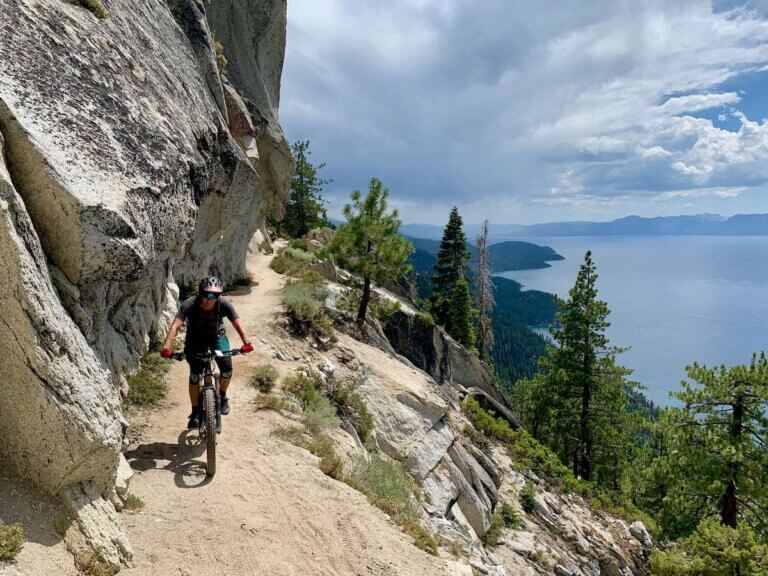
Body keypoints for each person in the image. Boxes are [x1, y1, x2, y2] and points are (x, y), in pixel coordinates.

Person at [160, 276, 253, 428]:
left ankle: (222, 396)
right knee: (195, 375)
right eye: (208, 295)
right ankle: (195, 412)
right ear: (201, 293)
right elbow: (175, 326)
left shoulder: (223, 304)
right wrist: (167, 346)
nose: (212, 299)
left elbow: (237, 324)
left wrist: (246, 342)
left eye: (216, 295)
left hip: (217, 337)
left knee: (226, 369)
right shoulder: (189, 304)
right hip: (195, 339)